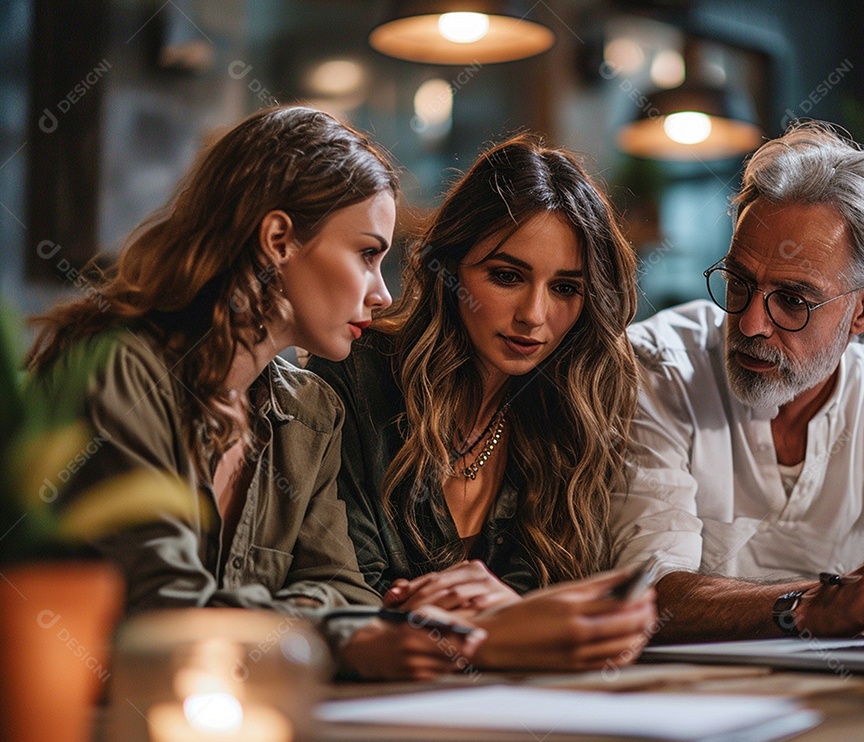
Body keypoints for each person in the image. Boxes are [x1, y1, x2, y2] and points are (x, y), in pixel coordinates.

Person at [26, 106, 653, 680]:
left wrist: (334, 624)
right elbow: (163, 608)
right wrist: (339, 634)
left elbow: (343, 592)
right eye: (366, 255)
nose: (383, 294)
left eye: (567, 288)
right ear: (278, 241)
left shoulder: (304, 409)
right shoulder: (120, 368)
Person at [610, 121, 864, 642]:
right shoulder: (659, 368)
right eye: (739, 284)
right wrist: (819, 604)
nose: (748, 324)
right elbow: (646, 597)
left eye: (792, 300)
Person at [308, 134, 648, 643]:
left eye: (565, 288)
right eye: (507, 276)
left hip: (513, 699)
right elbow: (346, 593)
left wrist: (511, 615)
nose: (534, 316)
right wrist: (509, 623)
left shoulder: (566, 412)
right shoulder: (356, 376)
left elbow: (557, 598)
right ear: (450, 270)